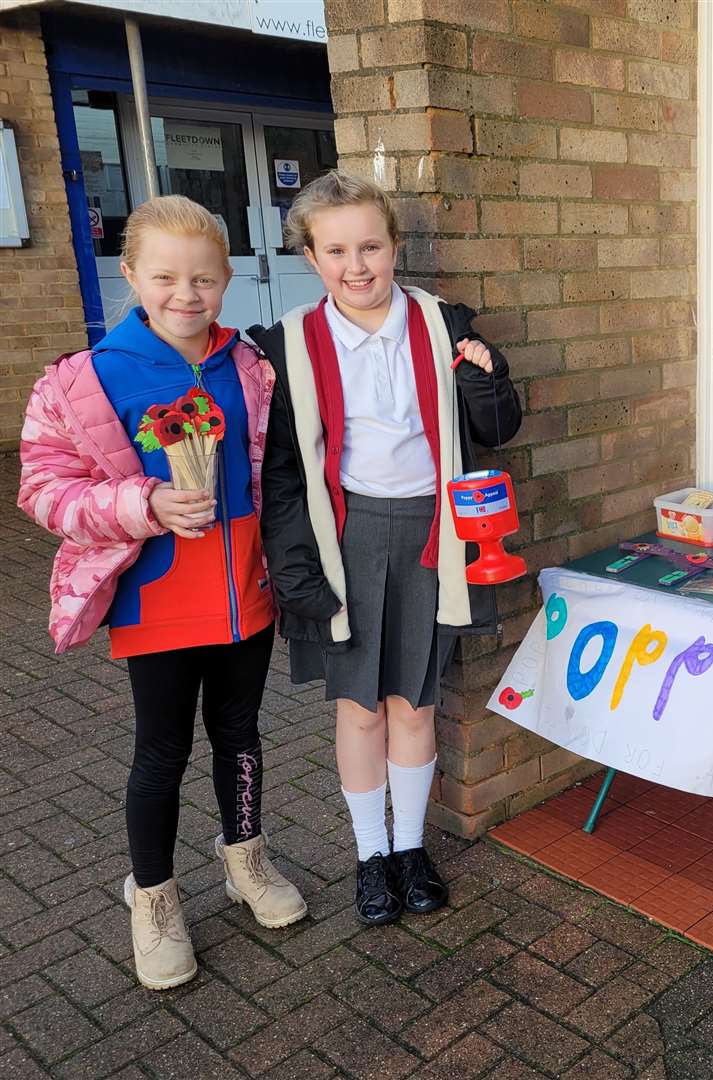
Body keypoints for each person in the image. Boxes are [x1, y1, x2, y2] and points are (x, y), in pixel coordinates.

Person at [18, 195, 306, 991]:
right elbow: (44, 488)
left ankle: (244, 857)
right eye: (167, 277)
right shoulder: (83, 380)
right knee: (161, 753)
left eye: (206, 279)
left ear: (229, 281)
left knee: (241, 736)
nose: (188, 294)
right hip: (154, 606)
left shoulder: (250, 367)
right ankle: (152, 896)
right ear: (132, 274)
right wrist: (140, 505)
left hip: (242, 594)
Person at [251, 171, 521, 927]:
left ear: (396, 245)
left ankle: (410, 850)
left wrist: (487, 383)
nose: (357, 265)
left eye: (371, 245)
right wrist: (295, 565)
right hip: (348, 540)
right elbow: (280, 472)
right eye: (336, 250)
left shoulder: (443, 323)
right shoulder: (293, 344)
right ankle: (369, 857)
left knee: (415, 701)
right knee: (360, 708)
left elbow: (499, 426)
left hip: (435, 533)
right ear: (311, 256)